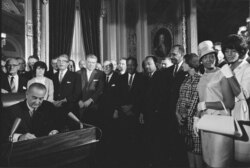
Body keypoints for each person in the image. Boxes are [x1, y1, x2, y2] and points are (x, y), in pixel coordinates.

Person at [194, 40, 234, 168]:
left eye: (212, 56)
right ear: (201, 60)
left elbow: (230, 102)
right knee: (208, 161)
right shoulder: (201, 77)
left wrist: (206, 105)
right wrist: (196, 117)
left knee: (219, 162)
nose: (209, 59)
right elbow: (200, 100)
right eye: (205, 57)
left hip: (219, 124)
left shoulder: (222, 74)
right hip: (205, 124)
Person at [175, 53, 202, 168]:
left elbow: (195, 101)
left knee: (196, 150)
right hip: (183, 121)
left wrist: (186, 117)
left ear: (191, 64)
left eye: (185, 62)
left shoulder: (199, 79)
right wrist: (177, 114)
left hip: (193, 121)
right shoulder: (186, 79)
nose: (183, 65)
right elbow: (180, 98)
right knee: (188, 147)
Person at [221, 34, 250, 120]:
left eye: (233, 51)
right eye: (226, 51)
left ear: (240, 51)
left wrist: (229, 74)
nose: (229, 54)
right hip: (225, 112)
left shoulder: (247, 68)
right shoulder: (226, 68)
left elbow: (243, 96)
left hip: (240, 113)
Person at [53, 54, 82, 129]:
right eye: (59, 61)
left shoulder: (75, 76)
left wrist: (64, 100)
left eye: (63, 61)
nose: (61, 63)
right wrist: (54, 102)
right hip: (56, 110)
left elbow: (77, 93)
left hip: (71, 109)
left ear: (68, 63)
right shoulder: (53, 76)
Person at [77, 54, 105, 125]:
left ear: (96, 63)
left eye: (93, 62)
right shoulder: (78, 73)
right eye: (89, 62)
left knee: (92, 128)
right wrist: (79, 100)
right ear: (86, 62)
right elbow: (75, 89)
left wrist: (90, 100)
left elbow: (100, 90)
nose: (91, 64)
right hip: (80, 105)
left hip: (93, 106)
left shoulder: (100, 74)